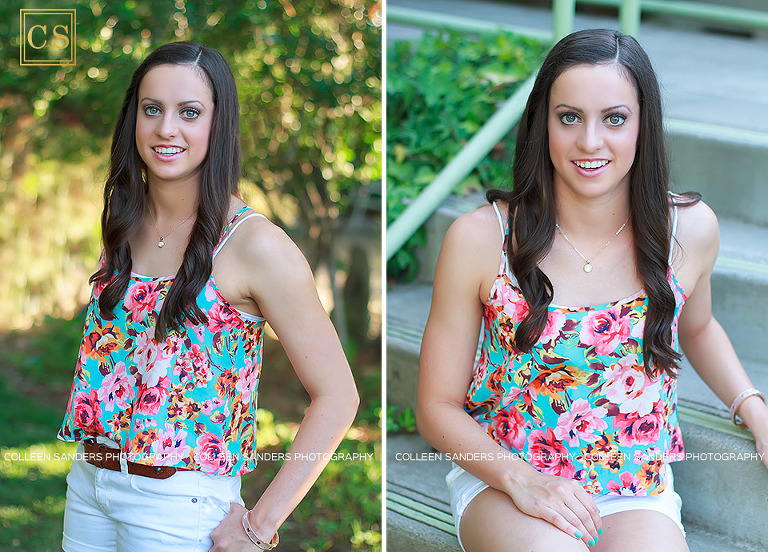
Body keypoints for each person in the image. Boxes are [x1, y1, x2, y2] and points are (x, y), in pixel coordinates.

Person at [417, 29, 768, 552]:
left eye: (615, 118)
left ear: (643, 126)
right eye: (569, 117)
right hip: (509, 480)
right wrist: (523, 481)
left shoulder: (688, 230)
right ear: (543, 123)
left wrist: (756, 411)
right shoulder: (480, 237)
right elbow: (436, 406)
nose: (590, 142)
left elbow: (698, 327)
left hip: (635, 482)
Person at [57, 41, 359, 552]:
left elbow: (338, 396)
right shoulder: (125, 223)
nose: (165, 128)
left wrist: (260, 527)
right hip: (88, 484)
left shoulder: (255, 244)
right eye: (151, 109)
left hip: (178, 508)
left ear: (219, 125)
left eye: (189, 112)